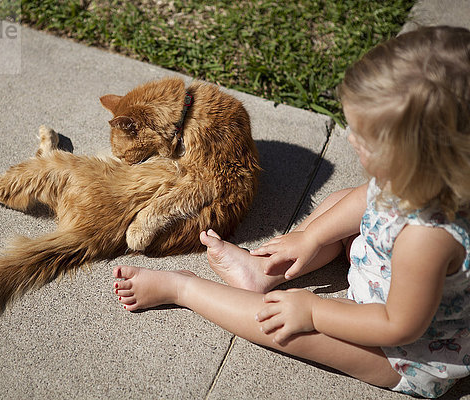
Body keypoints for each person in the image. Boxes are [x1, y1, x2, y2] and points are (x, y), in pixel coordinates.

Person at [112, 26, 470, 398]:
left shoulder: (425, 241)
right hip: (388, 268)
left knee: (286, 327)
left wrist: (314, 311)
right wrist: (311, 236)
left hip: (404, 350)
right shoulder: (426, 178)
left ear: (417, 158)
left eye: (364, 137)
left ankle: (182, 287)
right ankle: (262, 270)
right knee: (347, 200)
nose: (350, 138)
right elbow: (367, 196)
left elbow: (397, 325)